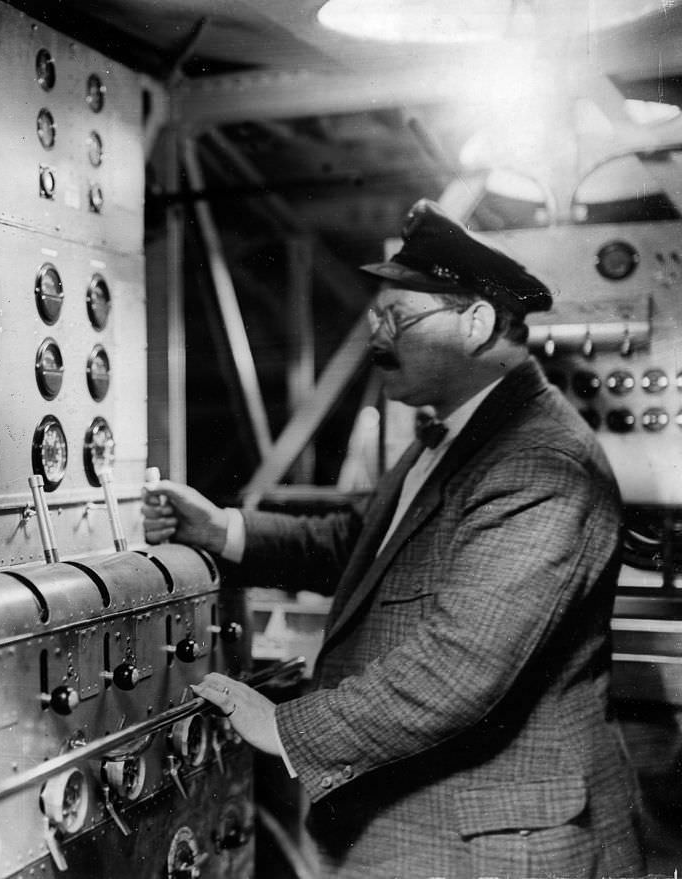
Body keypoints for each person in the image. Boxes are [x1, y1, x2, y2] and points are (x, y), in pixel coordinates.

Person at [144, 199, 644, 878]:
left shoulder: (540, 462)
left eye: (397, 319)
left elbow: (458, 667)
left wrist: (287, 727)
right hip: (421, 819)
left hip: (485, 845)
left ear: (477, 323)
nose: (379, 339)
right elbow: (361, 541)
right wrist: (221, 528)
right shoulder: (457, 432)